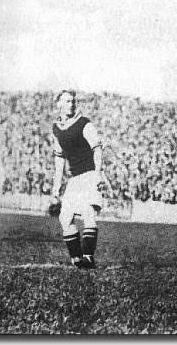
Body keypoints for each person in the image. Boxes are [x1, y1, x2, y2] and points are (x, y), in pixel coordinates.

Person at [51, 90, 106, 269]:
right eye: (67, 101)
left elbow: (97, 149)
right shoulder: (56, 129)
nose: (71, 104)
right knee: (65, 218)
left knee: (87, 213)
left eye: (73, 101)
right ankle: (76, 259)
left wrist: (98, 172)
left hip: (89, 173)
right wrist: (56, 188)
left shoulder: (84, 124)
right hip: (75, 179)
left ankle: (88, 257)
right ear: (59, 104)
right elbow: (59, 158)